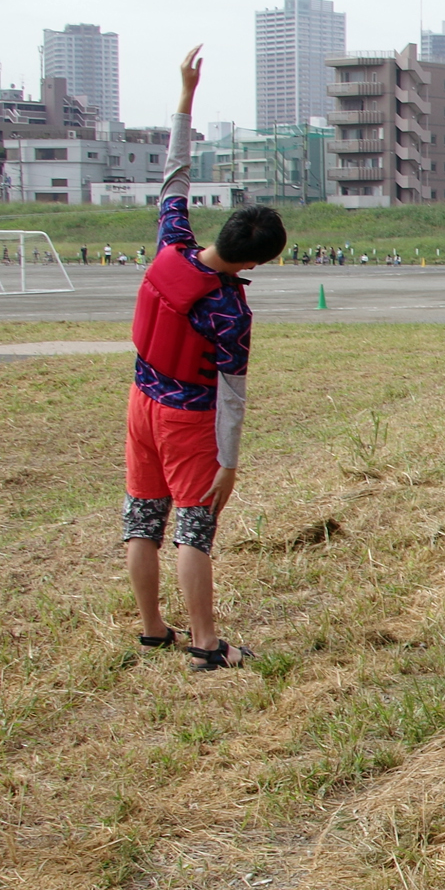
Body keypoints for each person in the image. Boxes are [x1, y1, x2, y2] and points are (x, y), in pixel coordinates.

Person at [123, 47, 288, 672]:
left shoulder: (173, 244)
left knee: (143, 519)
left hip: (141, 403)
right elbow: (233, 398)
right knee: (193, 529)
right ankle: (206, 645)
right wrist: (229, 463)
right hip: (188, 421)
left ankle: (151, 630)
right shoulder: (230, 312)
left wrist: (186, 94)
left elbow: (175, 176)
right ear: (253, 263)